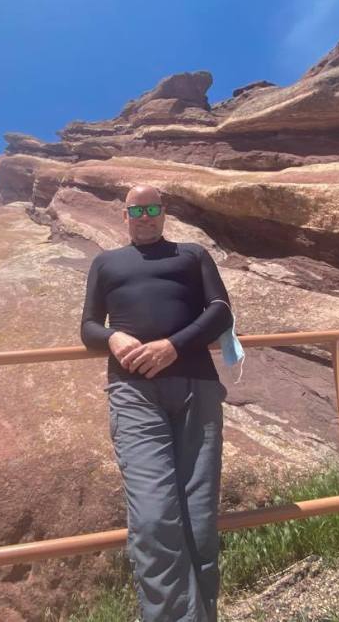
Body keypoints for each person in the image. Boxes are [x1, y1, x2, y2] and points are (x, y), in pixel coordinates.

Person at [80, 184, 234, 622]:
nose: (144, 217)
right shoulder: (107, 263)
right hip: (134, 395)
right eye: (136, 210)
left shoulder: (192, 255)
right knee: (152, 518)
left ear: (164, 213)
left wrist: (172, 345)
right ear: (124, 215)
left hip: (196, 388)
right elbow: (88, 327)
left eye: (152, 209)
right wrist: (112, 336)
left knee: (198, 517)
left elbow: (221, 311)